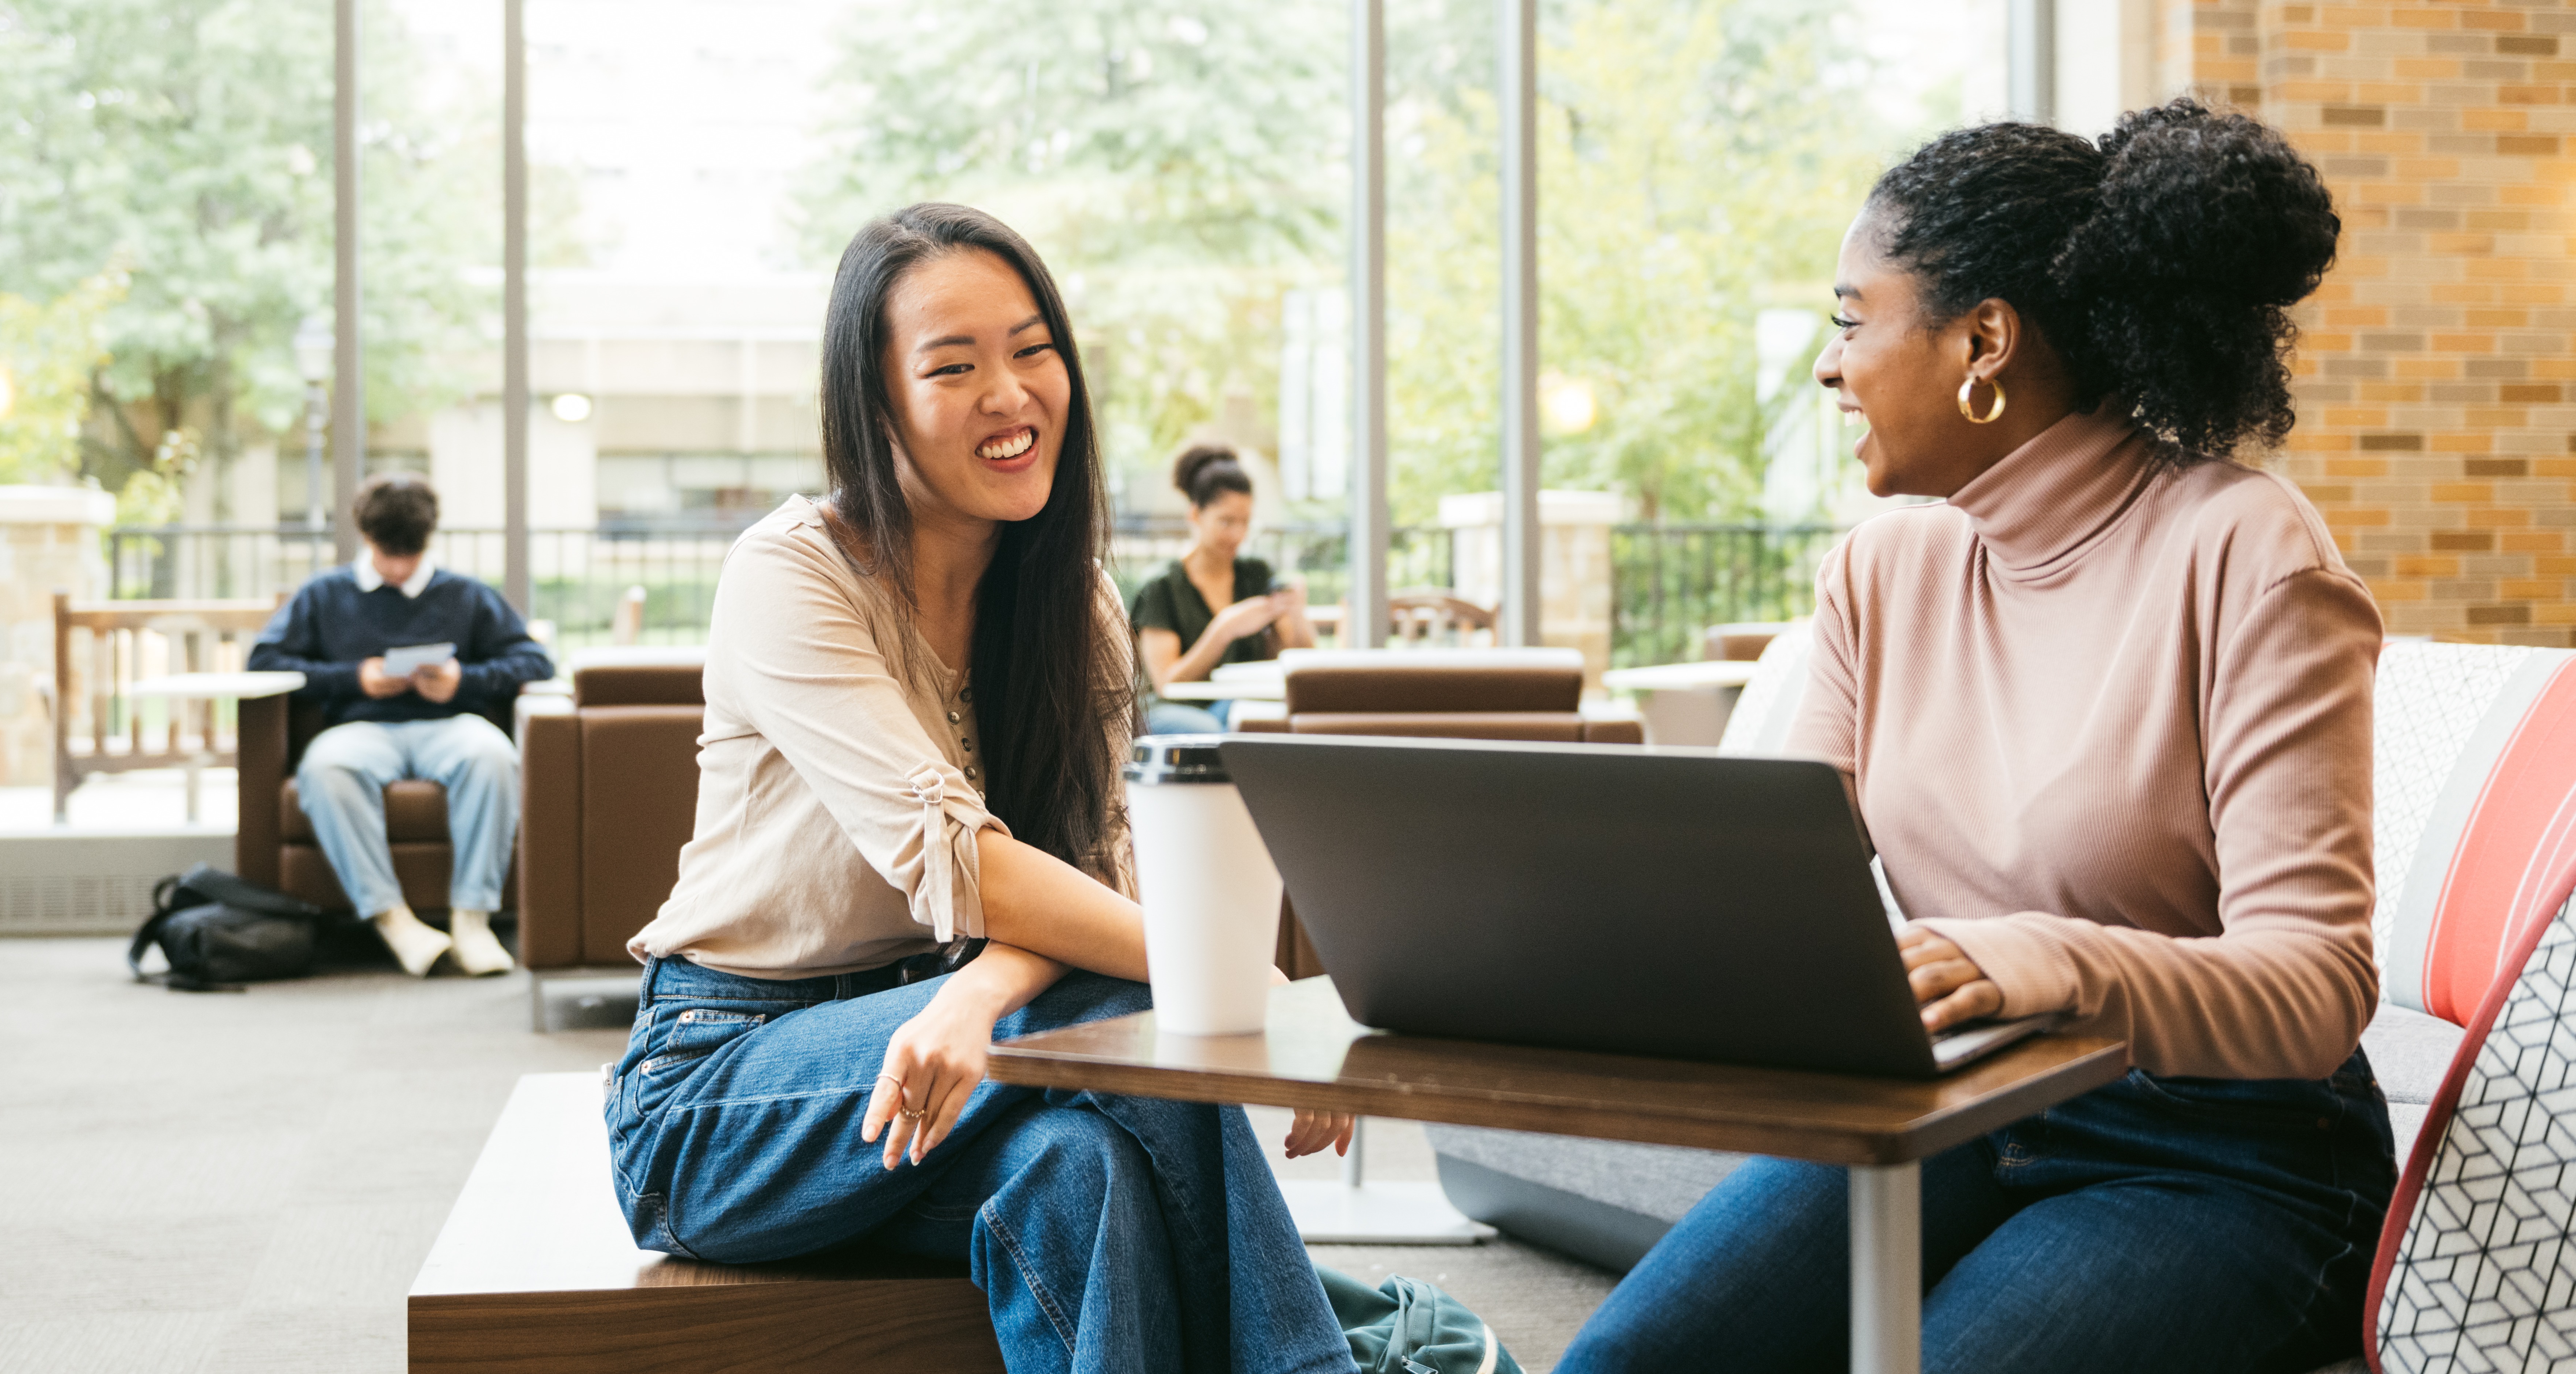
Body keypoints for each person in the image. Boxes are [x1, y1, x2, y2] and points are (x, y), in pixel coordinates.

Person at [1559, 100, 2388, 1374]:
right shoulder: (1879, 570)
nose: (1828, 369)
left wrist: (2037, 959)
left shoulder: (2246, 552)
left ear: (1981, 341)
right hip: (1948, 1103)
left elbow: (2315, 991)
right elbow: (1778, 888)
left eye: (1849, 319)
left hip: (2223, 1155)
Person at [605, 203, 1359, 1374]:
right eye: (954, 366)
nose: (1009, 393)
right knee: (1149, 1005)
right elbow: (955, 855)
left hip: (945, 1069)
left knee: (1084, 1173)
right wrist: (1236, 986)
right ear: (877, 402)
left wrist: (981, 997)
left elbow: (1083, 874)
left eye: (1032, 348)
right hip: (724, 1093)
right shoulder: (791, 573)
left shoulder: (1081, 604)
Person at [247, 474, 552, 978]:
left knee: (493, 755)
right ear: (367, 538)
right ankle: (393, 919)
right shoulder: (324, 594)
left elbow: (536, 662)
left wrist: (463, 680)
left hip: (451, 723)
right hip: (361, 731)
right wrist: (355, 678)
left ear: (428, 540)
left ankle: (472, 920)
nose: (398, 567)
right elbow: (264, 662)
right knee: (326, 767)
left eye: (409, 555)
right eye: (389, 554)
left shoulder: (466, 595)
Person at [1129, 446, 1313, 736]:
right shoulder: (1160, 587)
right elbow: (1167, 684)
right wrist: (1224, 629)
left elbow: (1303, 662)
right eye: (1226, 522)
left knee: (1254, 716)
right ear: (1195, 515)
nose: (1238, 535)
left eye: (1245, 523)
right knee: (1218, 728)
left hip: (1235, 704)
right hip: (1176, 710)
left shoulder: (1255, 575)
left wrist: (1297, 612)